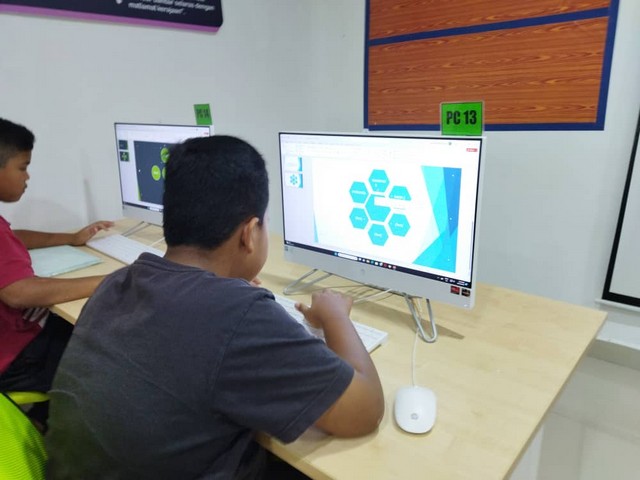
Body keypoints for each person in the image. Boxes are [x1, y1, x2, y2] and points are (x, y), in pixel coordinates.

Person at [46, 135, 384, 479]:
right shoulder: (239, 315)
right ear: (249, 233)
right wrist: (335, 316)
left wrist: (231, 295)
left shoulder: (117, 283)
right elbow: (364, 410)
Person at [0, 118, 114, 426]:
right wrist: (110, 279)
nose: (27, 177)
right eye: (23, 167)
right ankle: (65, 428)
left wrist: (70, 238)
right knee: (105, 349)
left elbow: (13, 236)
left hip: (17, 341)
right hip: (15, 359)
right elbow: (18, 293)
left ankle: (46, 414)